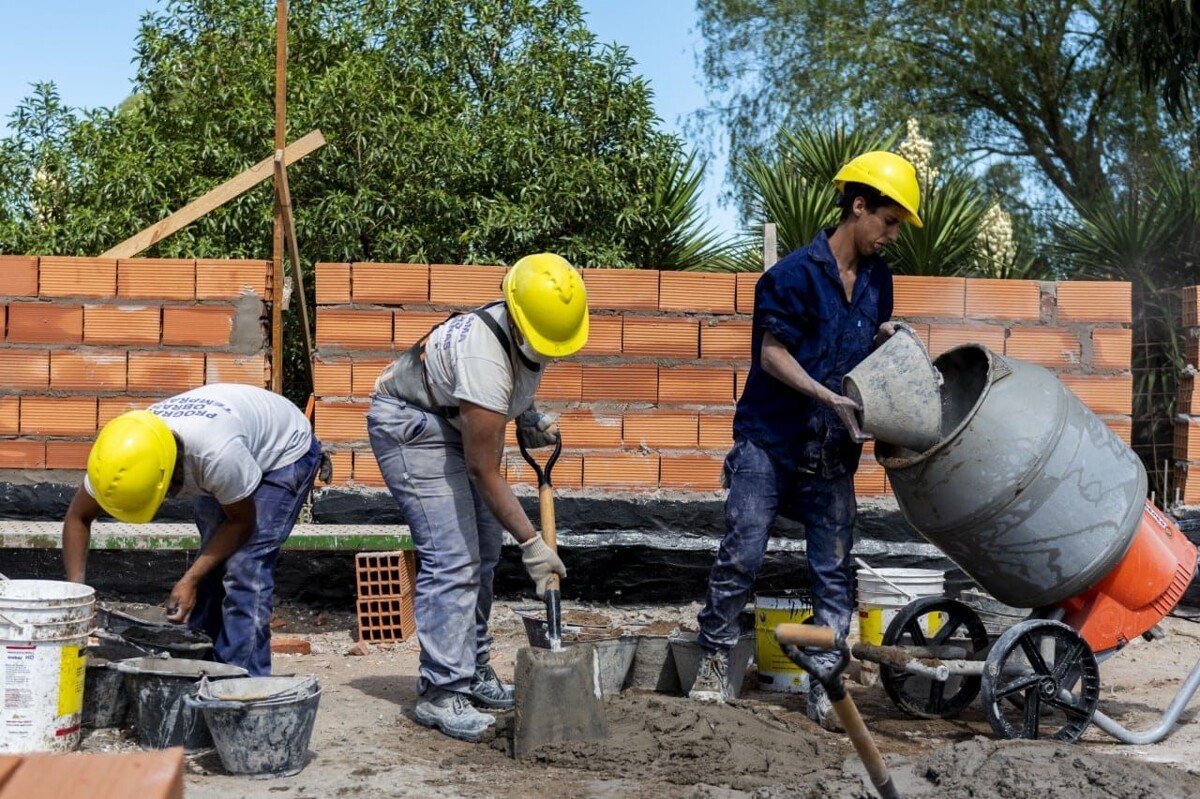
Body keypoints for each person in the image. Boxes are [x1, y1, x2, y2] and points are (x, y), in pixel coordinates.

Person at [687, 151, 923, 730]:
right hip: (770, 441)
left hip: (833, 450)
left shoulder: (878, 281)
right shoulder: (791, 276)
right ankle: (714, 658)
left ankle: (823, 677)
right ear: (859, 206)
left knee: (833, 569)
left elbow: (862, 357)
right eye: (889, 222)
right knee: (742, 554)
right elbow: (772, 355)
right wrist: (826, 396)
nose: (892, 235)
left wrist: (889, 340)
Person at [366, 252, 588, 743]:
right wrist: (533, 545)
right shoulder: (484, 356)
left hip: (453, 419)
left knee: (485, 552)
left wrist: (525, 416)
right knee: (454, 556)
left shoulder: (527, 323)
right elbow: (483, 468)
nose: (552, 353)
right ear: (520, 318)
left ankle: (472, 667)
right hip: (411, 425)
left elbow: (508, 387)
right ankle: (441, 691)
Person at [63, 384, 325, 677]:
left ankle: (244, 685)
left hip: (283, 450)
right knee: (213, 559)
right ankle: (201, 668)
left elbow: (242, 523)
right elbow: (77, 517)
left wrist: (189, 579)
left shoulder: (215, 457)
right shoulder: (121, 456)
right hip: (232, 438)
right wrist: (78, 598)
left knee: (244, 566)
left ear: (168, 474)